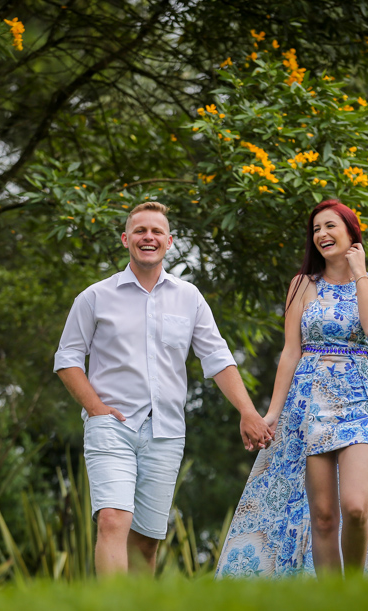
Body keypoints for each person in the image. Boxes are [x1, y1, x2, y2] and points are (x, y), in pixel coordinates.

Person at [54, 201, 273, 577]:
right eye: (140, 231)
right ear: (126, 239)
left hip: (166, 431)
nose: (148, 237)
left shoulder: (189, 298)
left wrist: (248, 411)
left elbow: (218, 359)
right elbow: (67, 358)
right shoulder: (94, 297)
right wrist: (96, 407)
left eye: (156, 231)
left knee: (146, 542)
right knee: (111, 519)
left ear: (169, 242)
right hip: (112, 425)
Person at [215, 199, 368, 578]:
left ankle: (356, 592)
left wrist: (359, 270)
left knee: (355, 507)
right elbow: (290, 353)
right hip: (309, 402)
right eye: (315, 229)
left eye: (330, 226)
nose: (322, 235)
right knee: (325, 517)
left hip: (358, 397)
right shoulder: (302, 285)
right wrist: (271, 415)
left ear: (351, 232)